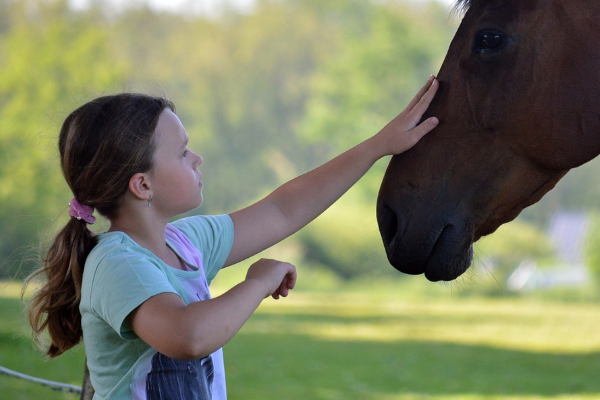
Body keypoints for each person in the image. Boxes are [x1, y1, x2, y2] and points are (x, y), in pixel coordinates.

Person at [24, 75, 439, 400]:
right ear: (142, 186)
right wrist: (256, 284)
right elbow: (189, 337)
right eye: (183, 153)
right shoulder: (116, 263)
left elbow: (284, 208)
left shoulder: (186, 242)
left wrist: (377, 147)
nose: (197, 158)